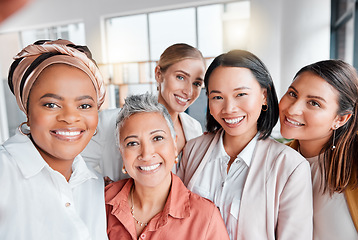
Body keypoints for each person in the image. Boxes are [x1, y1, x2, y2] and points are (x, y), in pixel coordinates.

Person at [177, 49, 313, 239]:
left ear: (264, 95)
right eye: (217, 97)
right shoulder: (192, 150)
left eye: (240, 94)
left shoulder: (290, 166)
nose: (229, 109)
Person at [0, 39, 108, 240]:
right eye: (51, 105)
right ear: (27, 111)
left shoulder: (95, 185)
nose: (70, 117)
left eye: (84, 106)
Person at [105, 93, 229, 240]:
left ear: (175, 145)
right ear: (121, 152)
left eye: (157, 138)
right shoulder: (102, 201)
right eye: (132, 143)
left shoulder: (205, 218)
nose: (146, 154)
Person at [82, 43, 206, 181]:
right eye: (181, 77)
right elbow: (75, 166)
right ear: (158, 74)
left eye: (197, 83)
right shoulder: (108, 121)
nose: (188, 91)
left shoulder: (194, 128)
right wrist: (105, 190)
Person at [279, 60, 358, 240]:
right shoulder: (275, 160)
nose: (293, 109)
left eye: (314, 103)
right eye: (292, 93)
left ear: (340, 119)